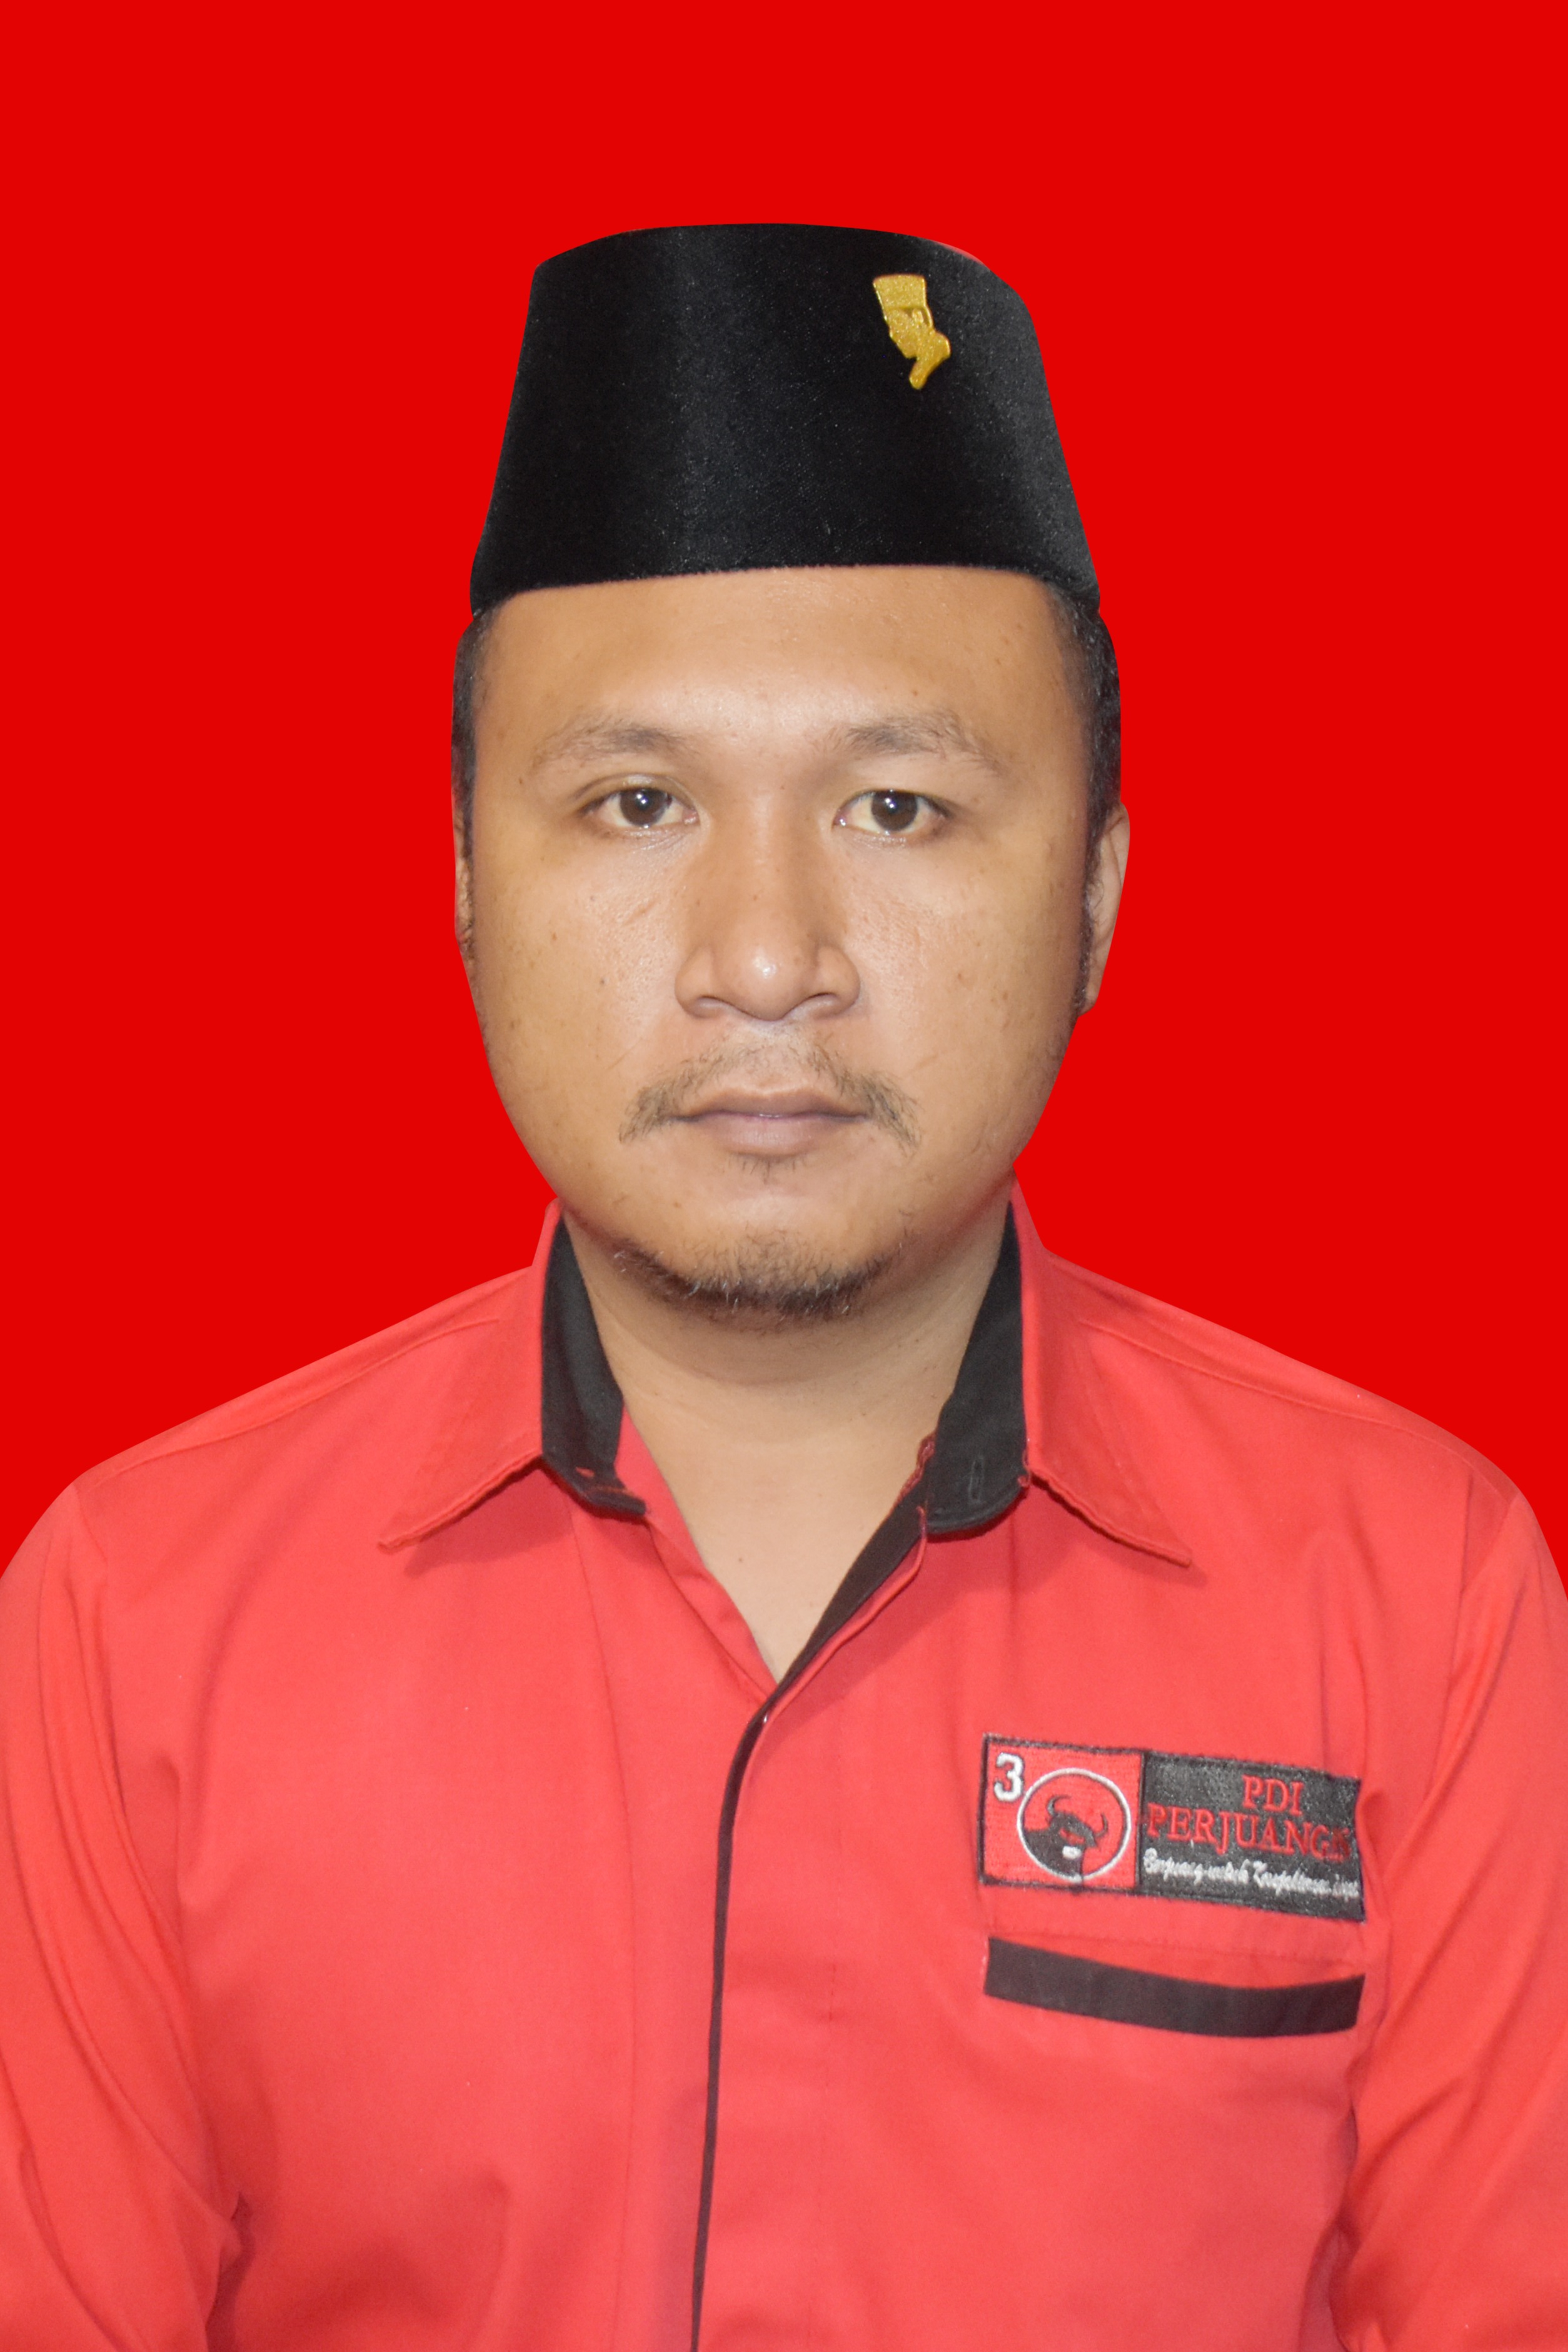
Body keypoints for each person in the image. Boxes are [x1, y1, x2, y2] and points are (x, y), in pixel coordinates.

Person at [0, 222, 1563, 2352]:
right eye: (637, 801)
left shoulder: (1416, 1602)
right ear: (462, 880)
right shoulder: (131, 1626)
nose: (762, 955)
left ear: (1095, 894)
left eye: (897, 805)